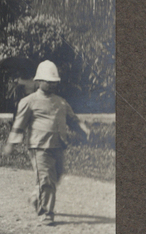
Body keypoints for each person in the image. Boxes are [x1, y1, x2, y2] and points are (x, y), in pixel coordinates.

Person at [6, 60, 88, 225]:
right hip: (39, 148)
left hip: (57, 145)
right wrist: (11, 143)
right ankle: (46, 213)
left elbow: (72, 119)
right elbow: (19, 124)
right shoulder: (29, 101)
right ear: (38, 81)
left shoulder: (61, 102)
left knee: (56, 176)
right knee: (46, 180)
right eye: (48, 82)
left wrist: (83, 130)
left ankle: (37, 197)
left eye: (54, 82)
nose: (51, 85)